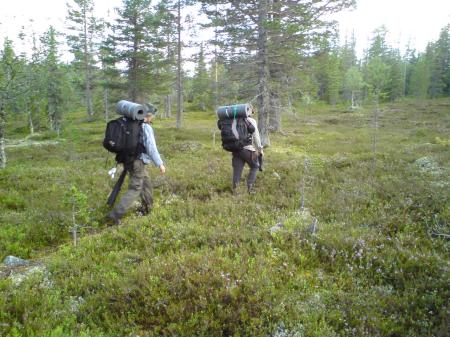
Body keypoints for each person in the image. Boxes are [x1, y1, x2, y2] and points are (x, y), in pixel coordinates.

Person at [107, 107, 165, 224]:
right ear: (149, 115)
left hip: (128, 159)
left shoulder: (130, 123)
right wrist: (160, 164)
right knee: (135, 188)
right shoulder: (145, 127)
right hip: (137, 162)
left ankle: (148, 208)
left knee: (146, 183)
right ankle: (114, 215)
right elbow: (151, 148)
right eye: (152, 115)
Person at [231, 112, 264, 194]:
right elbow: (256, 135)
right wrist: (260, 148)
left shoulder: (233, 120)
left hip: (235, 150)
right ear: (248, 112)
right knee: (255, 166)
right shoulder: (251, 120)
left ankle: (235, 190)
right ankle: (249, 188)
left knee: (237, 170)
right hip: (247, 149)